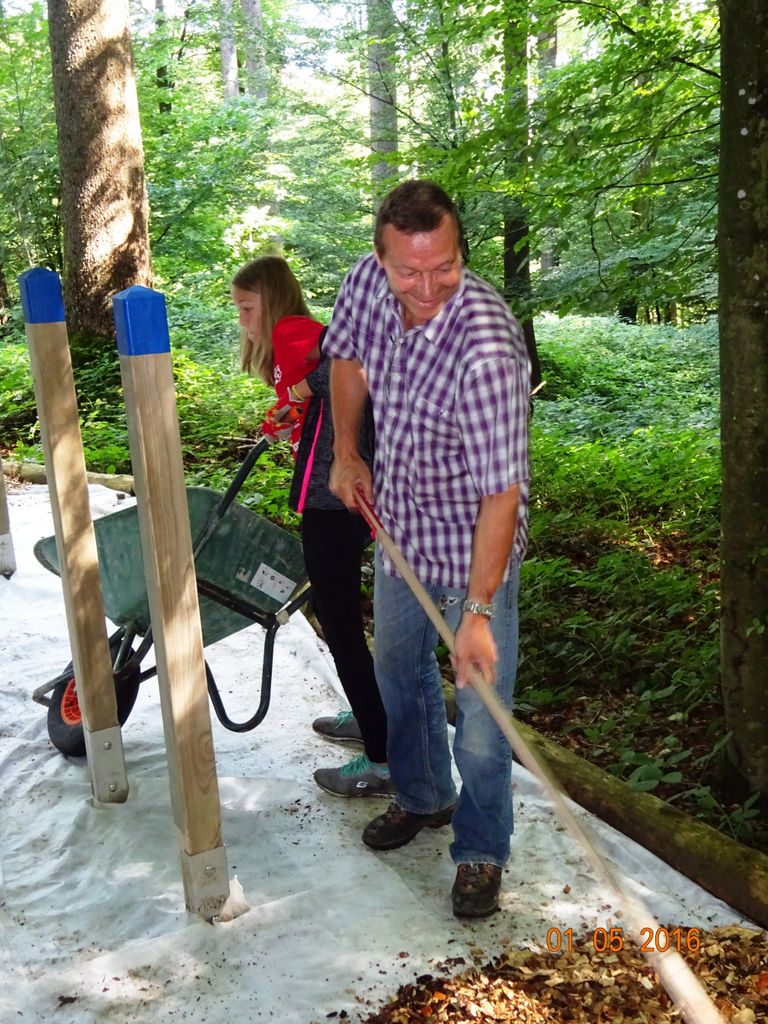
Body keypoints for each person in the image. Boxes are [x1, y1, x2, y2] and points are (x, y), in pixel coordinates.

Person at [324, 180, 530, 918]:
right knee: (397, 672)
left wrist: (477, 613)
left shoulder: (488, 348)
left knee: (481, 716)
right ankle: (422, 794)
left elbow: (500, 495)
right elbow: (347, 358)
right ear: (381, 258)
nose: (427, 287)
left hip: (476, 545)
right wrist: (348, 451)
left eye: (444, 267)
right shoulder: (365, 283)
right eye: (409, 271)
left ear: (460, 250)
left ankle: (481, 849)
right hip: (400, 528)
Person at [231, 257, 392, 798]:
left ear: (272, 302)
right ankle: (371, 718)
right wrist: (293, 411)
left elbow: (352, 362)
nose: (242, 320)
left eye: (247, 308)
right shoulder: (291, 338)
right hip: (333, 494)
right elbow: (327, 390)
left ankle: (381, 755)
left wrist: (303, 390)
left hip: (337, 498)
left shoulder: (293, 330)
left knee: (340, 622)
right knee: (337, 616)